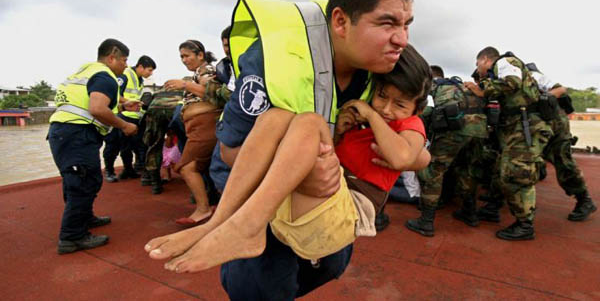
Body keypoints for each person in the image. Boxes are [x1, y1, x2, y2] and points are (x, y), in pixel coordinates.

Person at [145, 0, 418, 300]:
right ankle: (228, 225)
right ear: (340, 21)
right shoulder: (274, 59)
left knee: (327, 266)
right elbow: (228, 152)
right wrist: (303, 172)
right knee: (260, 288)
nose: (402, 40)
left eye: (406, 25)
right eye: (387, 23)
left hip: (327, 195)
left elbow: (414, 146)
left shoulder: (390, 65)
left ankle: (234, 229)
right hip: (251, 183)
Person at [142, 44, 430, 275]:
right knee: (276, 115)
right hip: (327, 194)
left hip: (351, 209)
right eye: (382, 96)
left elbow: (403, 156)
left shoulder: (408, 124)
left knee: (308, 121)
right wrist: (342, 131)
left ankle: (248, 228)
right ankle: (219, 220)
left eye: (400, 104)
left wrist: (370, 114)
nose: (388, 108)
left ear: (416, 107)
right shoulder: (357, 110)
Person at [48, 38, 139, 254]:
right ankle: (72, 237)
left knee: (77, 179)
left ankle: (84, 218)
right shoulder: (105, 76)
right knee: (84, 181)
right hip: (77, 134)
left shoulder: (87, 71)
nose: (126, 65)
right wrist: (125, 125)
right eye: (124, 60)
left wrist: (123, 103)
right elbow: (97, 108)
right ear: (111, 58)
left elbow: (90, 99)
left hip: (63, 132)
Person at [465, 47, 552, 241]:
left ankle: (524, 225)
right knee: (501, 171)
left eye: (477, 64)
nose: (478, 69)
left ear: (485, 59)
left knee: (517, 174)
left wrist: (480, 89)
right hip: (516, 128)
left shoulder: (504, 62)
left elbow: (511, 82)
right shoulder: (498, 71)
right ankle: (494, 208)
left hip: (525, 127)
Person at [406, 65, 488, 236]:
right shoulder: (463, 85)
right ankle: (470, 212)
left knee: (434, 171)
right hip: (479, 132)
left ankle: (426, 222)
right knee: (467, 170)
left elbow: (426, 112)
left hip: (454, 130)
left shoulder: (432, 86)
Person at [163, 40, 227, 225]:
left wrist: (185, 85)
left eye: (187, 55)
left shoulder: (205, 71)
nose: (184, 60)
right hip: (196, 127)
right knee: (206, 168)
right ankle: (216, 207)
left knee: (186, 167)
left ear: (200, 55)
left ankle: (203, 209)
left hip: (204, 126)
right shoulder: (197, 73)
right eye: (181, 56)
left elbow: (213, 94)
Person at [527, 63, 597, 221]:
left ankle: (585, 200)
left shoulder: (534, 76)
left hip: (556, 126)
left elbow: (560, 89)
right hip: (540, 126)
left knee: (563, 162)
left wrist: (544, 98)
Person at [103, 55, 156, 182]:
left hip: (134, 116)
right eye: (149, 70)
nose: (151, 73)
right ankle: (110, 171)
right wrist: (129, 102)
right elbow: (115, 94)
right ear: (140, 67)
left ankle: (130, 169)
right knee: (115, 145)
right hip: (122, 115)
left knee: (138, 146)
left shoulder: (140, 80)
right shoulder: (126, 75)